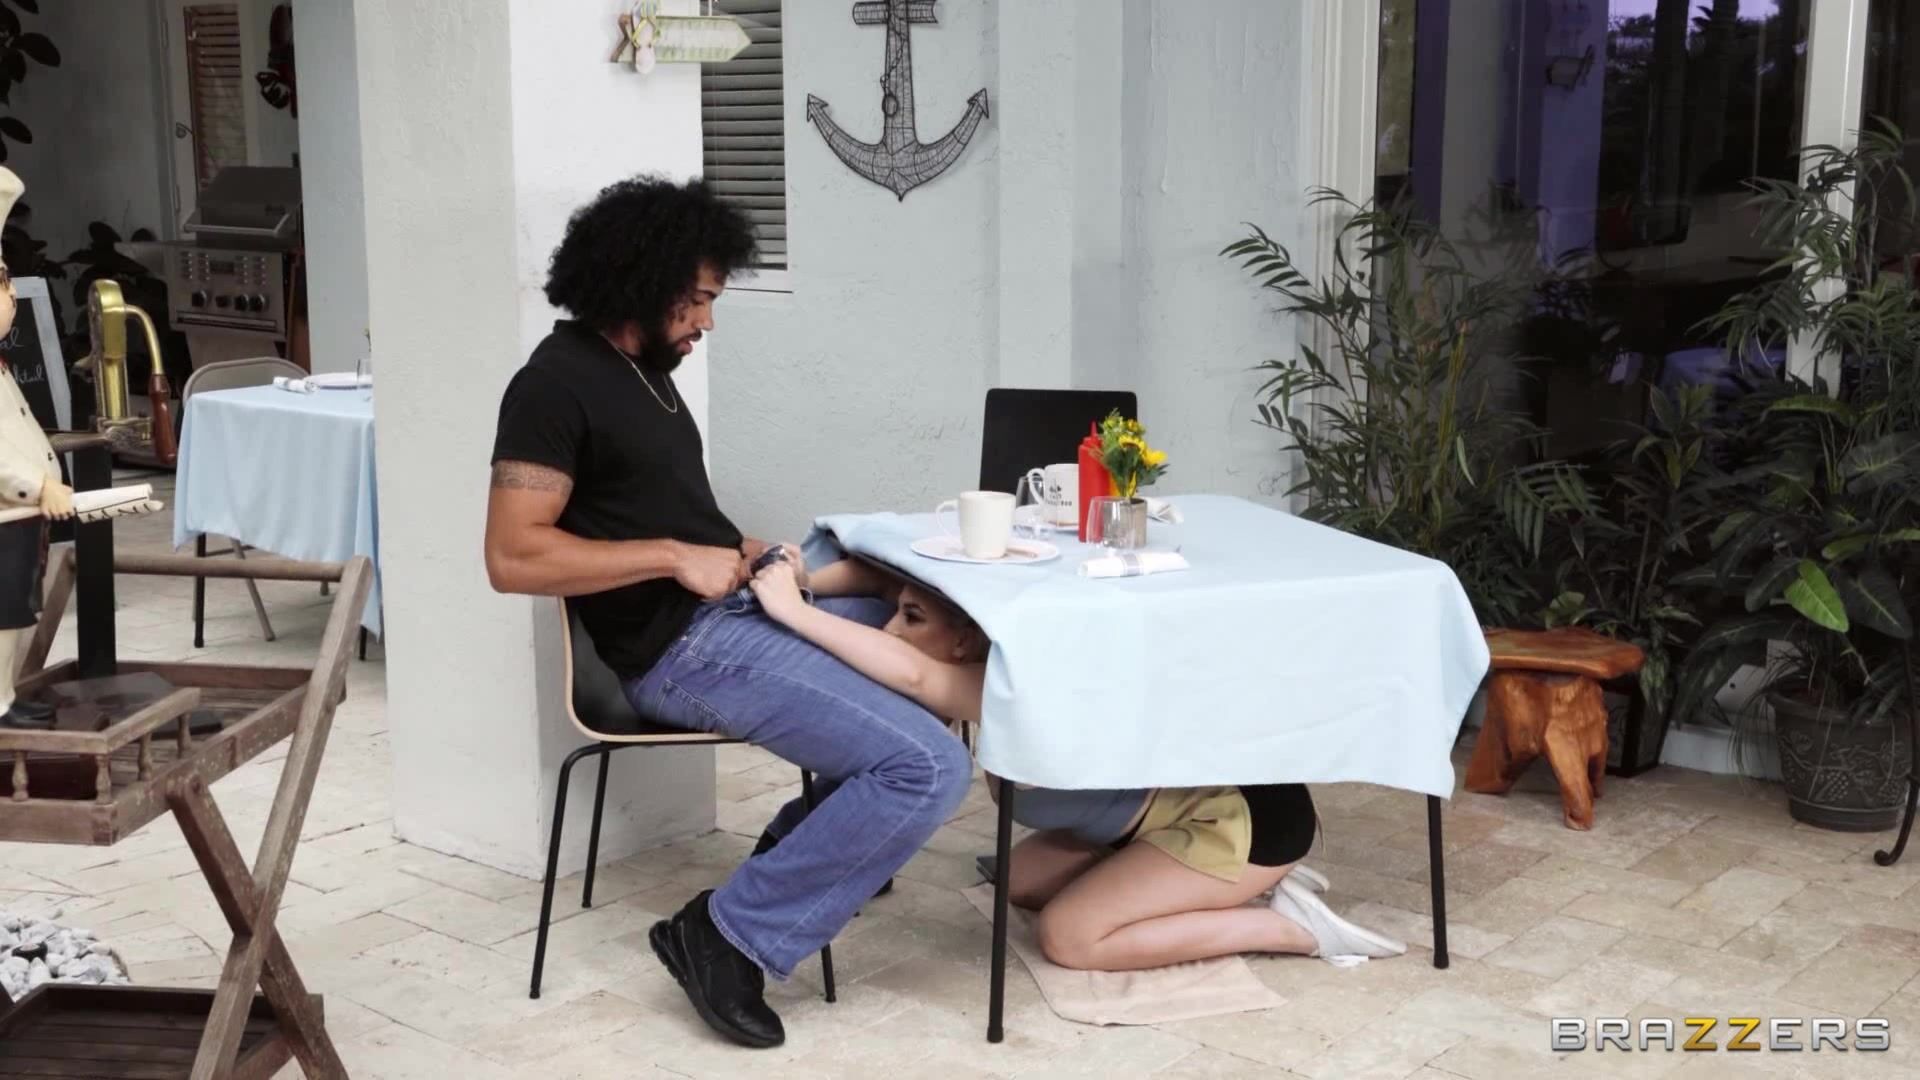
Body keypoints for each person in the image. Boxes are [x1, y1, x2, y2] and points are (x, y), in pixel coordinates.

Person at [485, 176, 971, 1050]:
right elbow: (512, 556)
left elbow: (660, 515)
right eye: (699, 299)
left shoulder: (647, 379)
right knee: (928, 768)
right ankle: (725, 934)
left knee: (930, 634)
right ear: (643, 281)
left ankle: (808, 852)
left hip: (729, 612)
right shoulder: (554, 386)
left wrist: (747, 549)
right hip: (680, 650)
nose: (707, 322)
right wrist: (676, 557)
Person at [747, 553, 1410, 971]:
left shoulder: (1005, 683)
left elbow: (915, 675)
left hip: (1240, 819)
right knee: (1018, 883)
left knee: (1070, 937)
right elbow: (881, 573)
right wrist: (805, 576)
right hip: (1155, 817)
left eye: (911, 619)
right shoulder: (980, 646)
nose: (892, 630)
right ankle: (1211, 886)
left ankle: (1287, 925)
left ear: (966, 639)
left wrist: (790, 610)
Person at [0, 165, 72, 731]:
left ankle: (3, 695)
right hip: (8, 511)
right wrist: (36, 485)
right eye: (3, 286)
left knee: (14, 614)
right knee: (2, 615)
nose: (12, 298)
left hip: (18, 518)